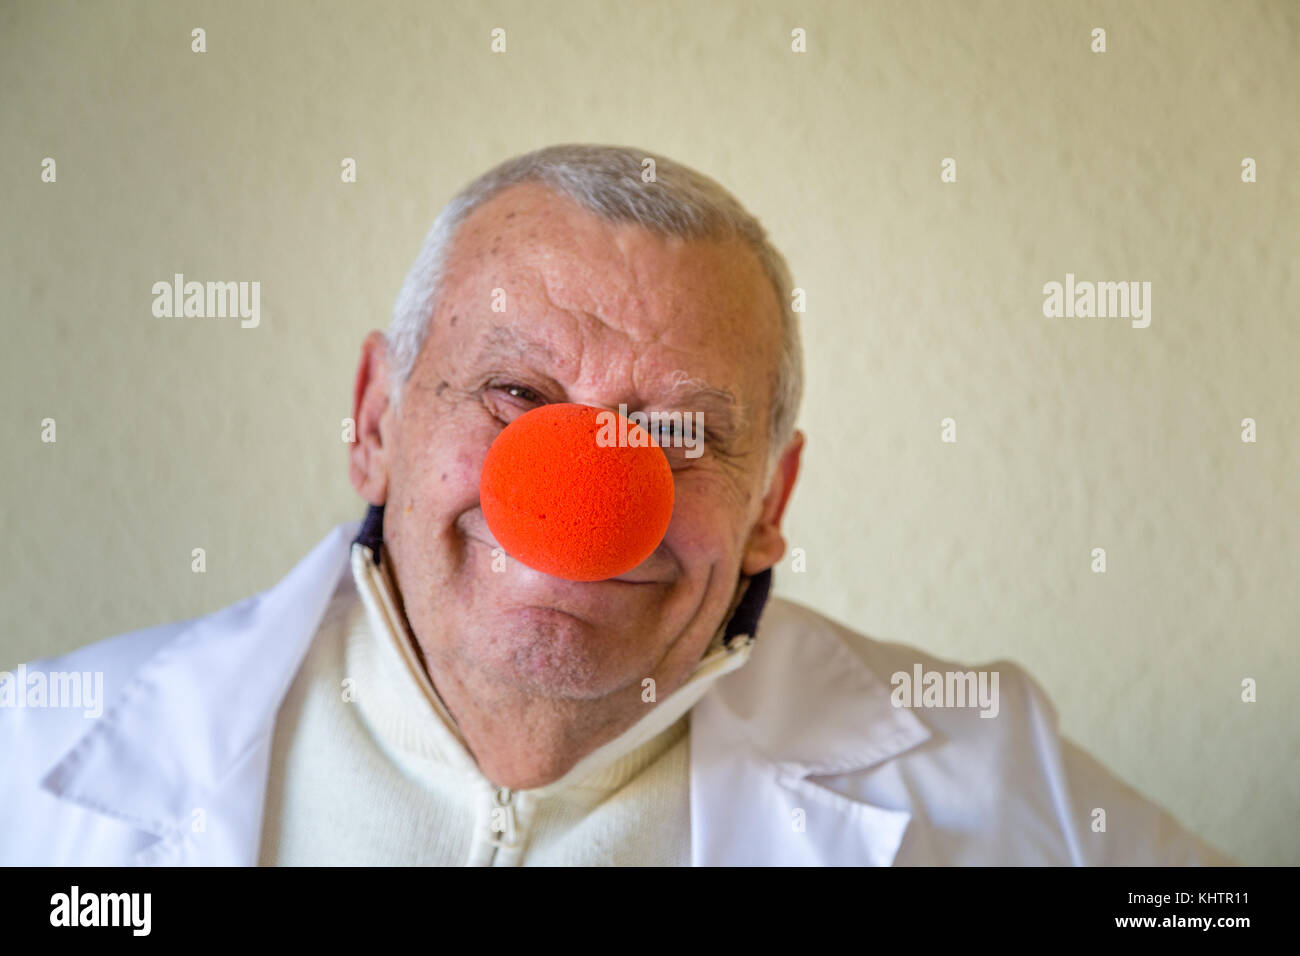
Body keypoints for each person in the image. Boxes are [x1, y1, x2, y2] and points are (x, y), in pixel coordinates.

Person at [0, 145, 1232, 866]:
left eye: (681, 434)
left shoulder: (994, 773)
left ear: (770, 502)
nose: (587, 497)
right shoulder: (32, 763)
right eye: (517, 392)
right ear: (376, 418)